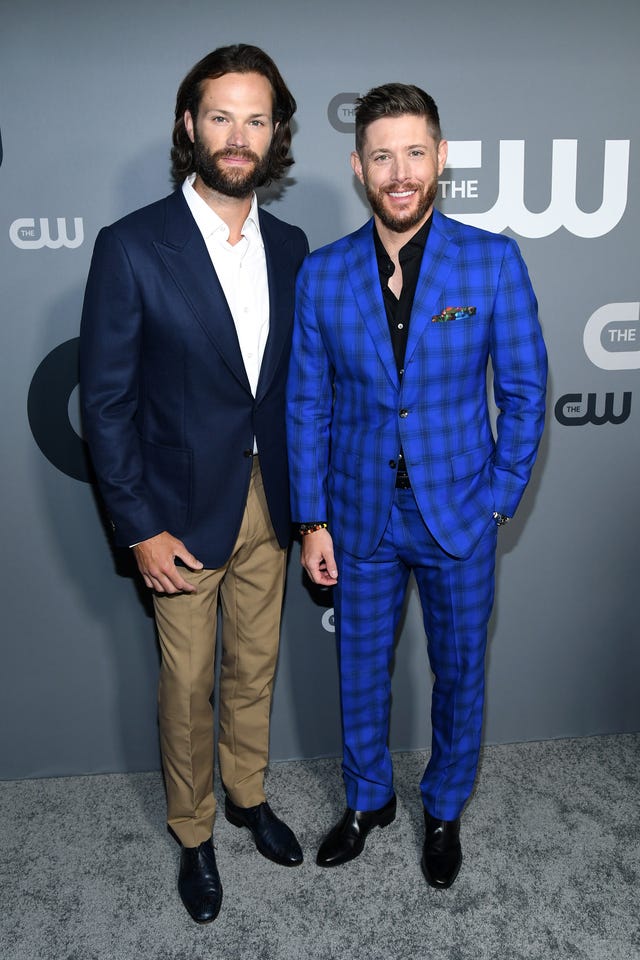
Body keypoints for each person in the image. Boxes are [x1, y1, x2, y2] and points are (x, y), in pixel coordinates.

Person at [286, 83, 547, 889]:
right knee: (359, 669)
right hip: (358, 517)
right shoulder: (323, 275)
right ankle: (368, 801)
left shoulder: (492, 260)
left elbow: (529, 392)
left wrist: (499, 497)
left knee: (461, 669)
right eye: (381, 155)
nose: (399, 172)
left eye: (414, 152)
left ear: (441, 158)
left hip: (458, 516)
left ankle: (442, 808)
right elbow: (308, 401)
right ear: (358, 166)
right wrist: (312, 521)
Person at [80, 44, 308, 924]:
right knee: (187, 687)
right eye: (221, 116)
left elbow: (298, 387)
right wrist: (137, 526)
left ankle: (247, 797)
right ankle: (193, 830)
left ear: (277, 132)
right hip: (174, 514)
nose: (238, 136)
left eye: (256, 118)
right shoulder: (134, 246)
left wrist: (309, 508)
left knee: (255, 667)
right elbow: (104, 405)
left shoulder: (291, 246)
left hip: (272, 503)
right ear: (190, 125)